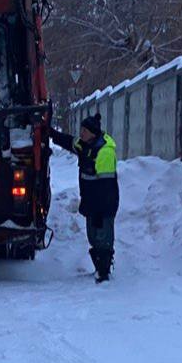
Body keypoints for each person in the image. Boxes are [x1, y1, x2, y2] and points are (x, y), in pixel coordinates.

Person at [50, 113, 120, 282]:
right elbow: (69, 142)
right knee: (93, 236)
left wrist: (97, 209)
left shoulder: (104, 152)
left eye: (84, 130)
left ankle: (104, 273)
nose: (81, 133)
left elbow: (105, 186)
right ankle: (99, 269)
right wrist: (51, 133)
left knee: (103, 238)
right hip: (91, 201)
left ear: (93, 133)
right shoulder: (85, 145)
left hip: (103, 204)